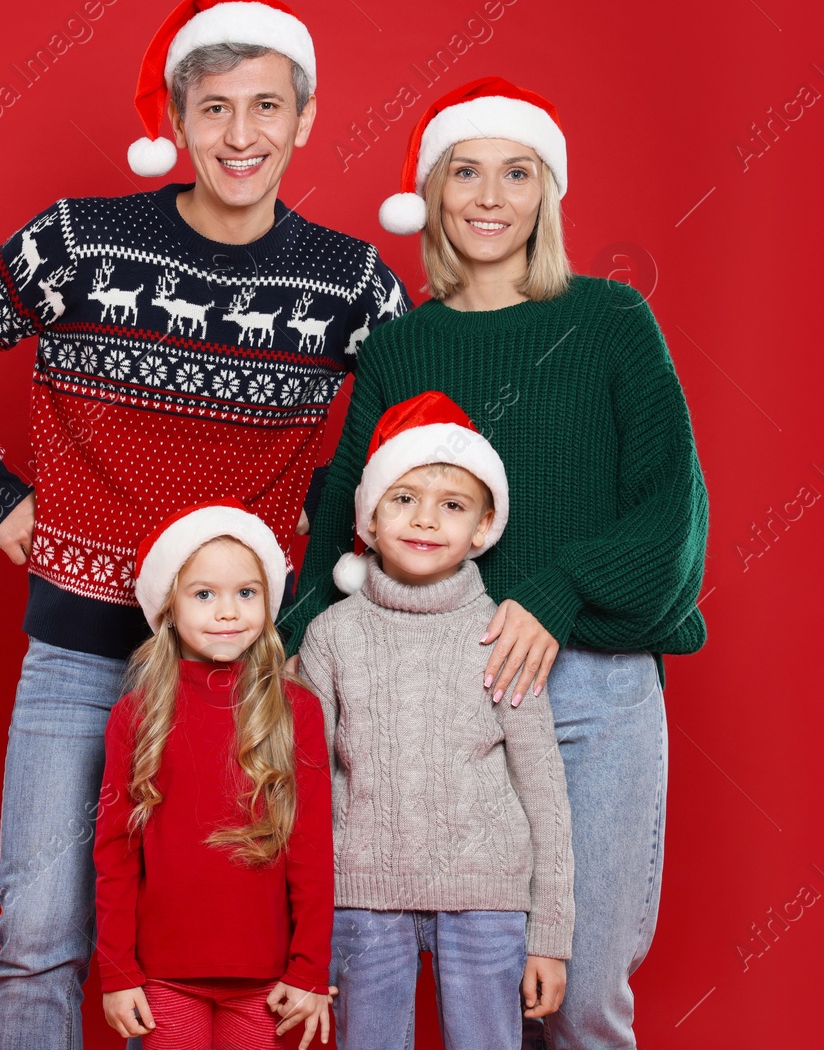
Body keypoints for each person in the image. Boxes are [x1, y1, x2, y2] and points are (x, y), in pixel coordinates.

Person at [0, 0, 410, 1049]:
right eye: (213, 107)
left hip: (247, 676)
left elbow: (403, 440)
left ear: (305, 118)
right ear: (174, 121)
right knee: (38, 931)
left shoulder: (351, 283)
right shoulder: (80, 241)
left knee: (251, 936)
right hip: (83, 647)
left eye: (266, 105)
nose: (240, 133)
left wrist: (317, 551)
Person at [277, 76, 710, 1050]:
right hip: (427, 702)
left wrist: (555, 592)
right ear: (430, 192)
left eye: (516, 173)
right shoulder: (401, 345)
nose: (487, 196)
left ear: (546, 193)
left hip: (588, 693)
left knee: (578, 994)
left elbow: (670, 513)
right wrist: (281, 665)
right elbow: (341, 526)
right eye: (464, 171)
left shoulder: (610, 321)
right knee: (412, 996)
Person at [296, 390, 574, 1050]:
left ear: (482, 527)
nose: (426, 520)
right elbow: (304, 787)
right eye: (403, 498)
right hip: (361, 898)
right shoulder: (331, 637)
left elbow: (545, 791)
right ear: (368, 517)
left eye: (451, 505)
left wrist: (551, 935)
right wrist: (303, 929)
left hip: (488, 898)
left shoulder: (502, 633)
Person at [94, 500, 333, 1049]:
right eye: (204, 594)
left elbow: (313, 846)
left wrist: (308, 968)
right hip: (164, 978)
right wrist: (118, 971)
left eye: (246, 594)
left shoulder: (297, 710)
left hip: (267, 981)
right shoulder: (137, 713)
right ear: (169, 607)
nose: (228, 612)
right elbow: (114, 851)